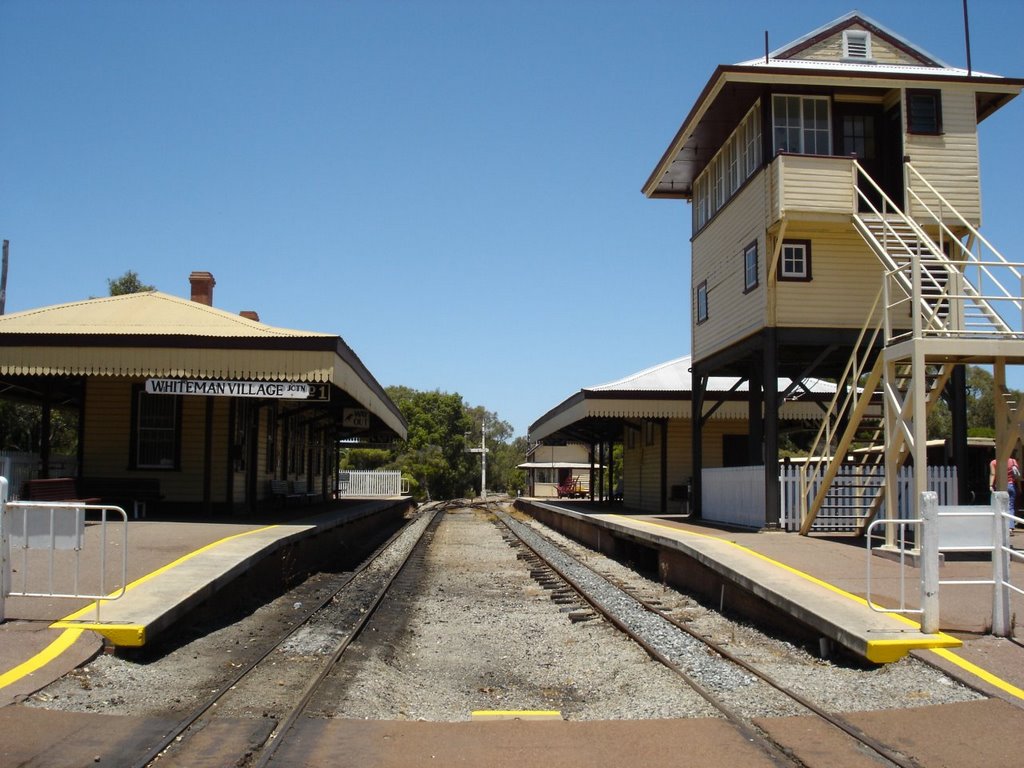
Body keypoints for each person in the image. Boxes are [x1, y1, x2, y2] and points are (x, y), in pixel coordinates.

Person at [990, 453, 1021, 533]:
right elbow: (1017, 476)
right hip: (1011, 486)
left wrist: (990, 485)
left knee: (1000, 507)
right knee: (1010, 507)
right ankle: (1010, 527)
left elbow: (993, 474)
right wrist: (1019, 488)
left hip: (1000, 486)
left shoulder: (993, 462)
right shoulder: (1013, 461)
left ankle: (1000, 527)